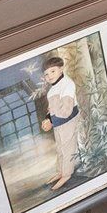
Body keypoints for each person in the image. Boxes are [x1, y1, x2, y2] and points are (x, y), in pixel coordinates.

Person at [36, 55, 82, 191]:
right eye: (46, 74)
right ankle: (60, 171)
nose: (49, 76)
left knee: (67, 147)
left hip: (68, 121)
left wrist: (51, 121)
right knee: (60, 148)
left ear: (61, 69)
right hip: (58, 123)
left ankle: (67, 174)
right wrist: (47, 119)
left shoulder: (68, 84)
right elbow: (51, 109)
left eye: (52, 71)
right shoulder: (52, 90)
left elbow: (67, 110)